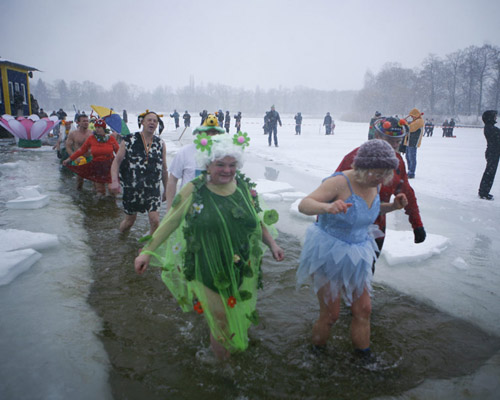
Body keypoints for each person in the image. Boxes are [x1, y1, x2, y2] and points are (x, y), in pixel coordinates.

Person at [134, 133, 284, 360]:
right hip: (205, 264)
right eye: (220, 164)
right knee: (221, 318)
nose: (227, 170)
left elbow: (256, 220)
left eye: (232, 165)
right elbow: (171, 221)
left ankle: (220, 346)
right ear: (207, 164)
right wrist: (147, 251)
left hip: (238, 263)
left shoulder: (243, 187)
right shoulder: (194, 189)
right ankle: (223, 368)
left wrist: (272, 244)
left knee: (234, 310)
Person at [297, 139, 408, 356]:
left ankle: (363, 358)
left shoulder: (374, 183)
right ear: (362, 166)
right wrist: (327, 207)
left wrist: (393, 207)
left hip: (358, 251)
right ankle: (316, 354)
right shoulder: (338, 182)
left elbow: (367, 212)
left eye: (384, 173)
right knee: (331, 314)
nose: (380, 178)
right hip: (329, 252)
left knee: (364, 310)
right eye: (375, 173)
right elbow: (304, 205)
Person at [336, 117, 426, 271]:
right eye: (391, 141)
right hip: (349, 224)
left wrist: (417, 224)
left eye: (398, 141)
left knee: (367, 269)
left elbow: (407, 192)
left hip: (377, 225)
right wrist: (324, 222)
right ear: (377, 137)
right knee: (342, 271)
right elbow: (332, 189)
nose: (395, 145)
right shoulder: (356, 157)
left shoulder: (397, 162)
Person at [110, 111, 168, 234]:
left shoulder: (160, 143)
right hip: (132, 188)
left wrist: (166, 189)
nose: (152, 122)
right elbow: (116, 162)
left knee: (155, 221)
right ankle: (121, 238)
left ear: (157, 124)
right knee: (129, 221)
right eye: (149, 120)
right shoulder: (129, 140)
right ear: (142, 122)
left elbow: (164, 168)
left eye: (155, 121)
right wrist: (115, 181)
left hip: (152, 188)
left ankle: (149, 249)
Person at [165, 114, 225, 210]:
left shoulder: (223, 155)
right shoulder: (185, 152)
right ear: (200, 133)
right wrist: (170, 208)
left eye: (214, 132)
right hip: (188, 208)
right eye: (207, 132)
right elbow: (172, 180)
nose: (210, 135)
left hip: (215, 209)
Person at [63, 119, 119, 197]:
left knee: (112, 190)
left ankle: (112, 206)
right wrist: (69, 159)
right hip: (97, 166)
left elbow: (119, 152)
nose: (97, 129)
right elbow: (81, 151)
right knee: (100, 191)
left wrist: (125, 162)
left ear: (104, 128)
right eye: (96, 127)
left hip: (109, 166)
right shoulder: (92, 138)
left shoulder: (111, 139)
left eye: (99, 127)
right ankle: (99, 206)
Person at [65, 114, 93, 189]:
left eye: (87, 121)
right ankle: (78, 194)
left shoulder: (92, 133)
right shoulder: (73, 134)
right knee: (80, 180)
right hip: (78, 159)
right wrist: (74, 157)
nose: (86, 123)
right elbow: (68, 147)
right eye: (83, 121)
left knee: (94, 180)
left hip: (90, 157)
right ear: (78, 122)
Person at [478, 110, 500, 200]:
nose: (496, 117)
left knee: (490, 173)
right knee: (489, 173)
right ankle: (483, 192)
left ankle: (484, 191)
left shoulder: (490, 128)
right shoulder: (491, 128)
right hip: (493, 152)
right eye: (494, 116)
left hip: (493, 152)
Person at [402, 108, 424, 179]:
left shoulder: (420, 121)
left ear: (416, 115)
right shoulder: (415, 121)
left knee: (412, 158)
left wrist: (405, 123)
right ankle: (409, 171)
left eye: (413, 116)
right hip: (409, 142)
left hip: (413, 142)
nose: (412, 117)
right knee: (408, 157)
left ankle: (412, 173)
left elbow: (411, 128)